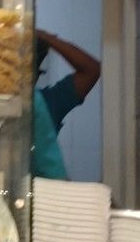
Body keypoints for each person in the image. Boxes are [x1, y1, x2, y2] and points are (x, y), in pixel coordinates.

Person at [30, 29, 101, 180]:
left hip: (41, 188)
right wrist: (47, 38)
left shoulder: (47, 102)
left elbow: (92, 70)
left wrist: (45, 37)